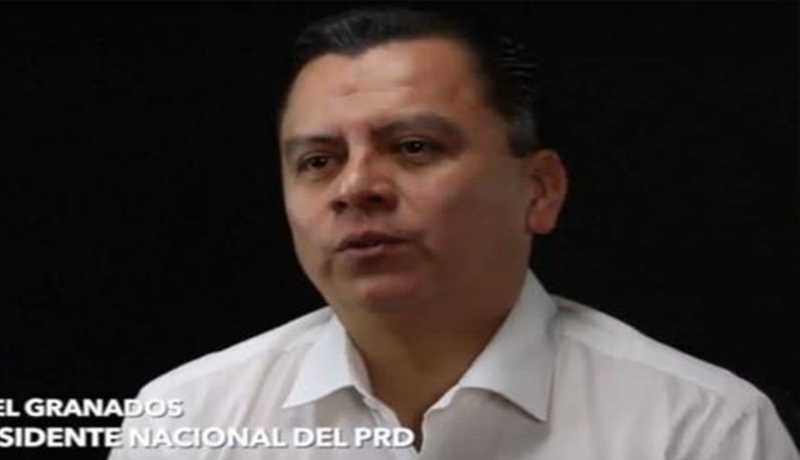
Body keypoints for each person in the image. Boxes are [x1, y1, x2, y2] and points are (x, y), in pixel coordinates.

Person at [109, 7, 799, 460]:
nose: (356, 186)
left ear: (540, 189)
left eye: (413, 147)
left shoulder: (700, 430)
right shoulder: (187, 418)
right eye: (318, 161)